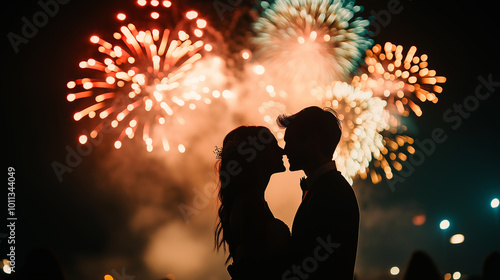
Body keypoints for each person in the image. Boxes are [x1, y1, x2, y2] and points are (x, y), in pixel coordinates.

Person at [277, 106, 359, 280]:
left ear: (312, 141)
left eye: (290, 141)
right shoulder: (330, 188)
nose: (285, 150)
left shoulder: (331, 193)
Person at [214, 125, 290, 280]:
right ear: (257, 155)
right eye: (273, 146)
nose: (282, 151)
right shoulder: (249, 205)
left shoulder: (250, 201)